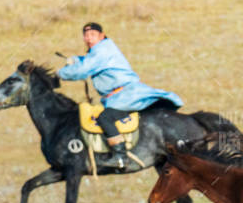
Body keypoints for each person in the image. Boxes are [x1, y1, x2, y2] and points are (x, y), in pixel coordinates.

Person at [56, 22, 182, 166]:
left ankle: (120, 156)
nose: (89, 38)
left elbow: (84, 69)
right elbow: (87, 61)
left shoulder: (102, 51)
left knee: (105, 118)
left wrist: (60, 73)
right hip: (121, 96)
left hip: (125, 96)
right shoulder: (100, 50)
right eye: (86, 35)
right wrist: (76, 59)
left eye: (92, 35)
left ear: (101, 36)